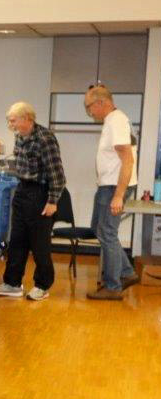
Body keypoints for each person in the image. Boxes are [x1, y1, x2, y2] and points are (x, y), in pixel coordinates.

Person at [0, 102, 65, 301]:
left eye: (13, 121)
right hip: (22, 190)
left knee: (39, 244)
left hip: (40, 194)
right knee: (17, 240)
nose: (10, 125)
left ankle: (42, 286)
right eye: (9, 121)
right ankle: (12, 283)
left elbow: (57, 174)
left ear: (27, 118)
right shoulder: (20, 137)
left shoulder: (45, 139)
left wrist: (52, 201)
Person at [83, 84, 139, 300]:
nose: (89, 112)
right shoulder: (113, 120)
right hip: (107, 185)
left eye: (89, 106)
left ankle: (113, 287)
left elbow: (128, 160)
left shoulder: (116, 121)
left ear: (101, 102)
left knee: (107, 232)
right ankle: (126, 272)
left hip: (114, 187)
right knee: (98, 228)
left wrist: (118, 195)